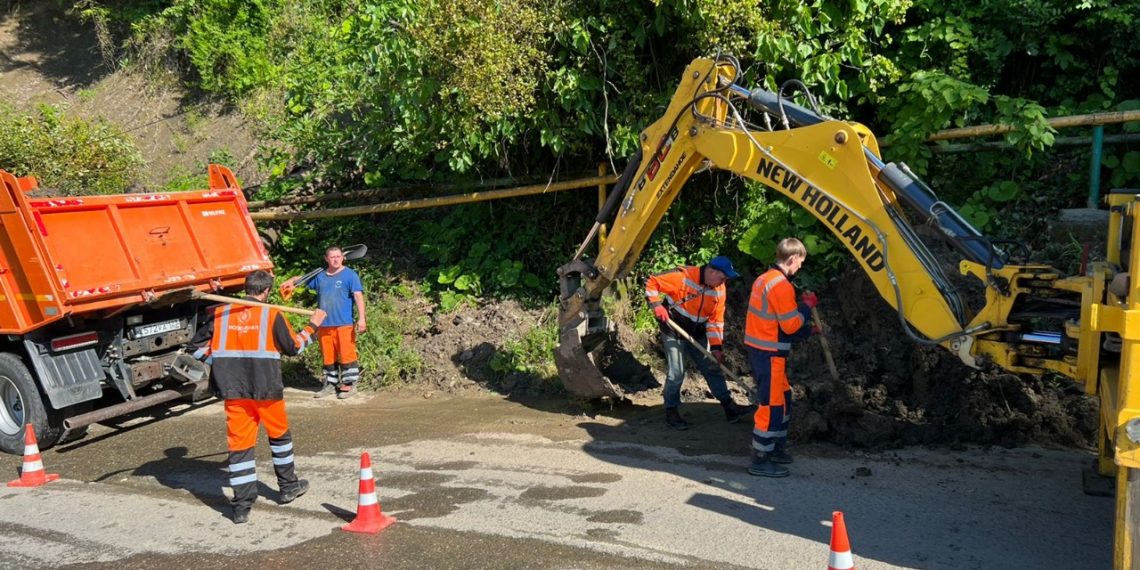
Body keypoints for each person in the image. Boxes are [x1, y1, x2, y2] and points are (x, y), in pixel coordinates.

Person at [191, 270, 327, 524]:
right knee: (279, 438)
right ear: (266, 291)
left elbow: (196, 348)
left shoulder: (220, 313)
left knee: (240, 446)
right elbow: (294, 347)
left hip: (234, 391)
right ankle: (288, 488)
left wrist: (218, 364)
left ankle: (241, 507)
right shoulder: (271, 313)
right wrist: (314, 326)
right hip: (267, 390)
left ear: (246, 288)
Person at [645, 255, 747, 430]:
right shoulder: (682, 277)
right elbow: (652, 282)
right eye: (723, 277)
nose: (724, 281)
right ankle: (671, 411)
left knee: (712, 367)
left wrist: (716, 347)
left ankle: (729, 406)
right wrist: (656, 305)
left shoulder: (719, 289)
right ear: (711, 271)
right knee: (676, 373)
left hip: (698, 332)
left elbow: (716, 321)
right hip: (674, 328)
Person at [743, 237, 817, 478]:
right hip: (770, 354)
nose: (800, 267)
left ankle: (775, 448)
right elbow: (790, 325)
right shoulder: (781, 285)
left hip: (763, 350)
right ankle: (761, 459)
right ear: (793, 258)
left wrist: (807, 329)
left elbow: (776, 321)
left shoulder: (764, 279)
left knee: (783, 398)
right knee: (772, 405)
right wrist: (807, 307)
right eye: (800, 263)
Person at [286, 246, 366, 399]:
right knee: (328, 356)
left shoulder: (350, 275)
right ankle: (330, 384)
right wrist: (291, 280)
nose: (335, 259)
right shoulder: (320, 276)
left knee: (347, 354)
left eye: (338, 256)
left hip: (344, 323)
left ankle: (349, 384)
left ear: (342, 257)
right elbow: (302, 280)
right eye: (332, 257)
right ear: (326, 259)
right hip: (323, 324)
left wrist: (362, 318)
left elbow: (358, 296)